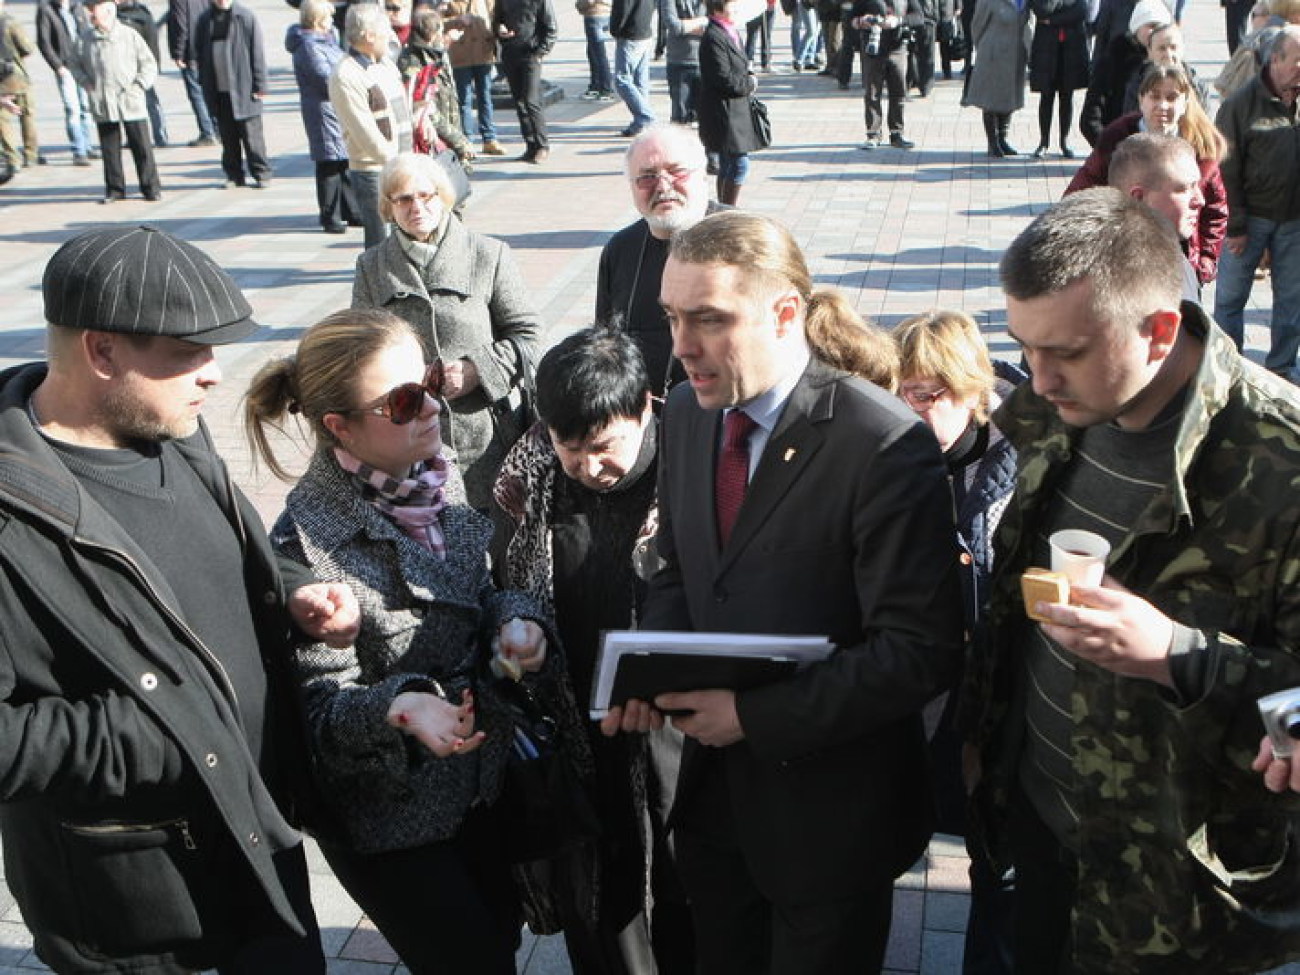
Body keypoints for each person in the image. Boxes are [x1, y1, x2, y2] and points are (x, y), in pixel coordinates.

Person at [603, 210, 964, 975]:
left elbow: (917, 653)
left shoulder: (883, 443)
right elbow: (679, 571)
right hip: (714, 809)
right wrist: (657, 673)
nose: (681, 346)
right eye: (672, 316)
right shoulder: (692, 418)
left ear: (785, 312)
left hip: (831, 822)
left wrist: (751, 715)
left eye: (708, 319)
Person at [0, 224, 361, 974]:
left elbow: (218, 560)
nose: (212, 373)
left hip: (258, 841)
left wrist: (291, 592)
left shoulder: (170, 428)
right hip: (146, 908)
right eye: (188, 352)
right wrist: (155, 730)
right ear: (102, 352)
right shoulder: (10, 519)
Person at [964, 186, 1300, 974]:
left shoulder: (1282, 464)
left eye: (1066, 352)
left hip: (1177, 902)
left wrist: (1179, 653)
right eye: (1025, 345)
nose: (1036, 378)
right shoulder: (1055, 404)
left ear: (1159, 330)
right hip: (1044, 829)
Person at [245, 306, 562, 975]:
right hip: (392, 816)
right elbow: (318, 713)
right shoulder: (303, 544)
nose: (432, 406)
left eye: (427, 382)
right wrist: (400, 704)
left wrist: (516, 621)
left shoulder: (431, 477)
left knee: (500, 938)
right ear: (341, 426)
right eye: (403, 399)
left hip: (480, 780)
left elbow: (476, 592)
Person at [493, 325, 696, 975]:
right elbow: (509, 582)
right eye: (568, 447)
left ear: (643, 408)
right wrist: (518, 627)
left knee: (681, 877)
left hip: (677, 726)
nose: (588, 466)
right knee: (599, 891)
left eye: (604, 446)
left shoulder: (694, 470)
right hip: (577, 719)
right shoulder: (532, 476)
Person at [893, 309, 1020, 975]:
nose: (909, 409)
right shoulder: (900, 454)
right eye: (901, 392)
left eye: (926, 393)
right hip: (916, 700)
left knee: (998, 871)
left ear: (971, 389)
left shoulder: (1024, 459)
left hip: (996, 709)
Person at [352, 152, 541, 511]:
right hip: (407, 439)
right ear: (388, 208)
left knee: (495, 546)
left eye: (427, 196)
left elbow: (529, 336)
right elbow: (362, 349)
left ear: (444, 196)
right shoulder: (371, 266)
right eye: (404, 199)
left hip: (486, 439)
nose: (417, 207)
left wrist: (476, 371)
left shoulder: (488, 254)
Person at [1065, 64, 1227, 286]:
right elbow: (1077, 200)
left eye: (1172, 98)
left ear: (1185, 103)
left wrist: (1205, 263)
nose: (1163, 106)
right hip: (1126, 259)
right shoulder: (1115, 142)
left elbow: (1216, 210)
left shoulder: (1202, 149)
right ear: (1141, 100)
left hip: (1182, 261)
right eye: (1155, 97)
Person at [596, 124, 719, 394]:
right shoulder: (620, 249)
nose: (663, 186)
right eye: (647, 177)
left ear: (704, 175)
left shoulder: (743, 241)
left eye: (677, 172)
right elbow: (604, 344)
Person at [1215, 24, 1300, 376]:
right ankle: (1227, 368)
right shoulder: (1240, 105)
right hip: (1248, 223)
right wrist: (1235, 225)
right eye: (1297, 61)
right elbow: (1225, 170)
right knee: (1230, 299)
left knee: (1291, 303)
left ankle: (1281, 367)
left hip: (1294, 222)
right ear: (1275, 60)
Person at [330, 1, 412, 248]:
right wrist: (394, 165)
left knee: (405, 238)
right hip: (375, 172)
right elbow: (364, 131)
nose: (390, 35)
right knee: (381, 244)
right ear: (368, 35)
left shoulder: (384, 63)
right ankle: (378, 285)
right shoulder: (346, 74)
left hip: (402, 164)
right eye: (384, 29)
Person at [69, 0, 163, 202]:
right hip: (103, 100)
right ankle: (115, 189)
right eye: (90, 11)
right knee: (109, 148)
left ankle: (150, 187)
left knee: (142, 146)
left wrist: (139, 85)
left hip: (130, 100)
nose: (91, 15)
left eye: (95, 10)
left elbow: (148, 63)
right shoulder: (85, 38)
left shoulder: (128, 35)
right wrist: (85, 82)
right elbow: (74, 64)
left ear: (109, 11)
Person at [286, 0, 357, 234]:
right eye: (328, 17)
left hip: (337, 107)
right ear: (317, 20)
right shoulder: (308, 45)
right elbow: (323, 77)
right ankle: (330, 215)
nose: (332, 22)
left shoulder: (327, 39)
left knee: (344, 161)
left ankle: (351, 209)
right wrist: (346, 83)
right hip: (322, 109)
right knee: (328, 163)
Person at [195, 0, 272, 188]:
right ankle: (233, 174)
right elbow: (199, 52)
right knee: (228, 138)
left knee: (252, 137)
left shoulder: (245, 17)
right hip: (219, 89)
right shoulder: (205, 20)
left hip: (244, 87)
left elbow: (257, 52)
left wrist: (260, 84)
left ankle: (261, 173)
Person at [1079, 0, 1171, 146]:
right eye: (1151, 26)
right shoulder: (1113, 60)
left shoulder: (1174, 67)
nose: (1155, 32)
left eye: (1161, 27)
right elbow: (1090, 118)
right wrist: (1111, 150)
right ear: (1137, 27)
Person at [698, 0, 765, 202]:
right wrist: (750, 83)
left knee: (729, 164)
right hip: (723, 111)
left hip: (735, 110)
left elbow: (739, 64)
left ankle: (723, 210)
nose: (735, 9)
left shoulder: (729, 30)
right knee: (738, 164)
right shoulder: (713, 36)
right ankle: (728, 211)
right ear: (717, 8)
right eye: (731, 6)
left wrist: (748, 72)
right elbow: (723, 78)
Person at [397, 8, 475, 164]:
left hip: (449, 139)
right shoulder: (413, 62)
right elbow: (423, 109)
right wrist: (459, 140)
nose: (442, 34)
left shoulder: (437, 54)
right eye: (440, 30)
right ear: (431, 34)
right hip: (430, 144)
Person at [960, 0, 1030, 157]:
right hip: (993, 53)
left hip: (1015, 54)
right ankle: (993, 142)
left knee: (1009, 97)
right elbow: (976, 26)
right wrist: (983, 47)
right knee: (990, 98)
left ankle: (1003, 138)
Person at [850, 0, 923, 149]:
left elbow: (919, 17)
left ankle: (897, 133)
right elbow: (851, 17)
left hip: (898, 47)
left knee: (898, 91)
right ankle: (873, 134)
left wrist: (898, 20)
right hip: (872, 48)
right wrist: (860, 21)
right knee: (872, 92)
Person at [35, 0, 97, 165]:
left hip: (83, 65)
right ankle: (79, 150)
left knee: (85, 107)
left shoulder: (76, 6)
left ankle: (87, 145)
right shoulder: (46, 8)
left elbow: (86, 32)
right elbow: (44, 42)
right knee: (72, 108)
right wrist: (57, 66)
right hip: (65, 67)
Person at [493, 0, 556, 162]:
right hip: (510, 53)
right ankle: (530, 145)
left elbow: (551, 28)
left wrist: (540, 52)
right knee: (519, 102)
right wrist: (499, 30)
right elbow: (497, 20)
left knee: (531, 100)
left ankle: (542, 145)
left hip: (531, 54)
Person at [1026, 0, 1088, 159]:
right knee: (1046, 96)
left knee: (1067, 97)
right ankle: (1043, 141)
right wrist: (1062, 5)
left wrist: (1052, 20)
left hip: (1070, 49)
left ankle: (1064, 140)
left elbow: (1081, 11)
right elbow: (1042, 9)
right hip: (1046, 49)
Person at [444, 0, 504, 155]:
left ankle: (489, 138)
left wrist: (498, 30)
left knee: (485, 97)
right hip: (460, 56)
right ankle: (467, 140)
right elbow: (435, 22)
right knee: (464, 100)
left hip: (483, 53)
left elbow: (494, 15)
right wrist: (457, 21)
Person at [116, 0, 170, 147]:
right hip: (121, 69)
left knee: (151, 102)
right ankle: (132, 137)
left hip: (140, 66)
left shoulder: (142, 14)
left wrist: (155, 66)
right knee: (124, 105)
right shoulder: (112, 15)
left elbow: (152, 40)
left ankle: (160, 135)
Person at [167, 0, 218, 145]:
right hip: (208, 45)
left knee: (196, 93)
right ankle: (217, 128)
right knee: (209, 90)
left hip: (191, 50)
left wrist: (178, 52)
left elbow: (180, 23)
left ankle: (207, 132)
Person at [0, 0, 40, 171]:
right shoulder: (11, 22)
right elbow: (28, 48)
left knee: (3, 121)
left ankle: (11, 157)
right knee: (27, 115)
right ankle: (30, 154)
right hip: (17, 76)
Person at [610, 0, 656, 137]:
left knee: (622, 80)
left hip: (630, 34)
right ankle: (641, 122)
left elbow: (621, 9)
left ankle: (646, 116)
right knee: (640, 80)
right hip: (644, 29)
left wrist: (615, 29)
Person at [659, 0, 707, 125]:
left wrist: (686, 26)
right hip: (679, 62)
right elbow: (674, 26)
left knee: (705, 117)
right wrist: (702, 21)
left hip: (706, 60)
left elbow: (716, 25)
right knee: (680, 118)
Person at [577, 0, 616, 100]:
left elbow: (588, 1)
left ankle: (605, 88)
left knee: (598, 53)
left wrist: (579, 5)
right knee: (593, 51)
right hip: (607, 13)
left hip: (594, 14)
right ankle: (596, 85)